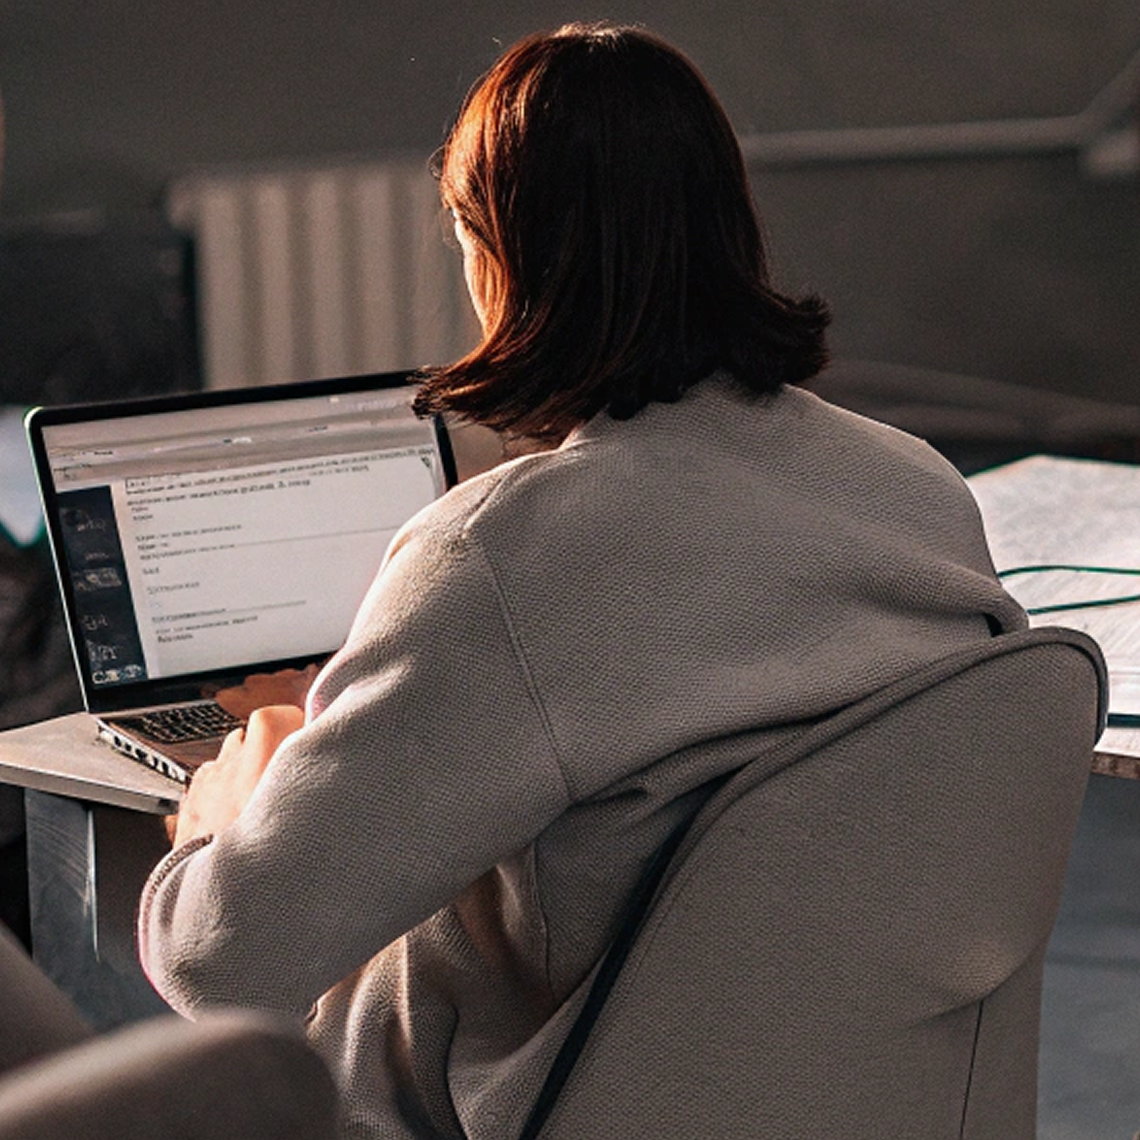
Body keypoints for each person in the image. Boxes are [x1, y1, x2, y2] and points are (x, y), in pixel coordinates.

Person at [137, 22, 1026, 1140]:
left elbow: (222, 963)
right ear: (723, 220)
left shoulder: (496, 559)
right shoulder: (921, 491)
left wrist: (225, 816)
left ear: (491, 247)